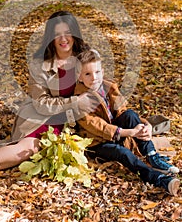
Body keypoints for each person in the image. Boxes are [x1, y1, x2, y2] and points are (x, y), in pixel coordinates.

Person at [0, 11, 98, 184]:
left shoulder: (87, 56)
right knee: (27, 149)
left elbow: (101, 84)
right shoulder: (40, 64)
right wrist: (75, 101)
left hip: (78, 119)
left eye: (67, 33)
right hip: (43, 117)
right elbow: (42, 104)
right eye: (57, 34)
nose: (63, 39)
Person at [74, 49, 180, 196]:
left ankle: (152, 155)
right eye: (87, 74)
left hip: (117, 132)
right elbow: (98, 127)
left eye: (97, 72)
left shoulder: (108, 87)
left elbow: (124, 111)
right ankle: (158, 178)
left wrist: (146, 125)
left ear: (102, 72)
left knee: (130, 115)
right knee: (122, 153)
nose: (94, 78)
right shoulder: (80, 99)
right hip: (97, 143)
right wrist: (128, 132)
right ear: (79, 77)